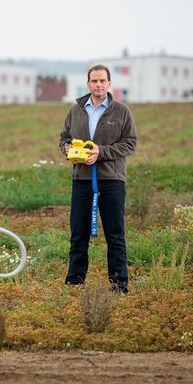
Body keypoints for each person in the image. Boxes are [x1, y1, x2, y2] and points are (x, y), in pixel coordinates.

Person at [59, 65, 137, 294]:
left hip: (111, 180)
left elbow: (130, 143)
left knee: (114, 234)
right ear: (88, 84)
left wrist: (100, 152)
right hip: (81, 179)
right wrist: (68, 150)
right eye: (94, 81)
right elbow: (63, 138)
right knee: (78, 234)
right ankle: (74, 282)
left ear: (110, 84)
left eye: (103, 81)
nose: (99, 85)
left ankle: (119, 285)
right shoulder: (75, 111)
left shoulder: (121, 111)